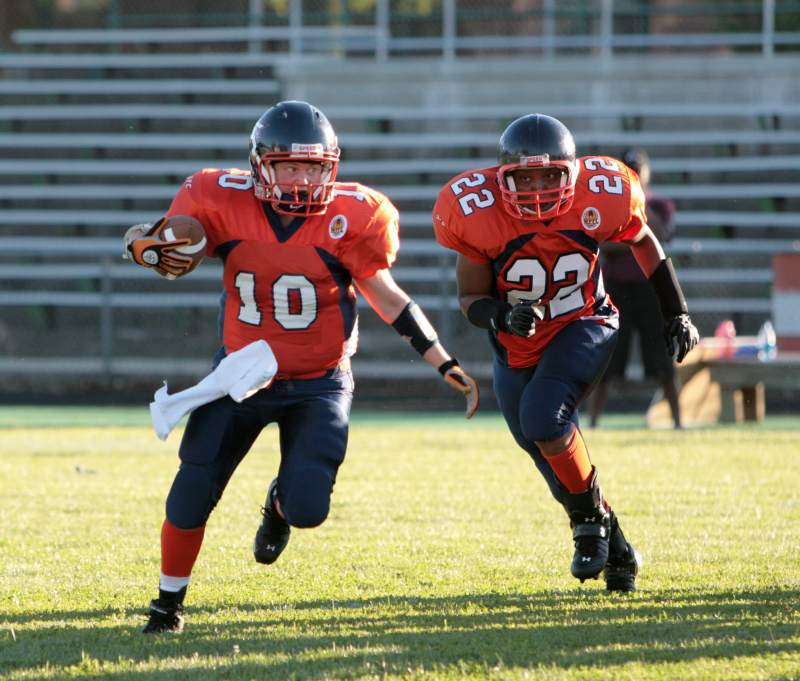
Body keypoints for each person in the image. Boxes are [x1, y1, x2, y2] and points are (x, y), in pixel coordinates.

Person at [123, 100, 479, 634]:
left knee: (308, 506)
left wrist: (440, 359)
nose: (300, 178)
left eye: (312, 167)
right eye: (288, 165)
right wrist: (142, 244)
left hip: (320, 384)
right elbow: (171, 241)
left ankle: (278, 505)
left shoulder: (355, 216)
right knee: (192, 490)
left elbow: (384, 296)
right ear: (260, 165)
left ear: (330, 167)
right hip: (241, 377)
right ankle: (167, 604)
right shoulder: (217, 197)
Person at [432, 113, 699, 591]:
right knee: (550, 457)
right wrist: (499, 314)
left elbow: (643, 241)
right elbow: (470, 297)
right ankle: (616, 547)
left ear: (571, 174)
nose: (537, 187)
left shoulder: (602, 195)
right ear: (501, 179)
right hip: (516, 348)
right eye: (525, 176)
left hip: (584, 323)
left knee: (543, 420)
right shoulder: (477, 213)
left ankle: (587, 528)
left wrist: (675, 312)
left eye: (550, 175)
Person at [589, 148, 683, 429]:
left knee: (662, 359)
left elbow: (660, 237)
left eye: (637, 169)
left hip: (649, 287)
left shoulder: (659, 206)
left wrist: (637, 206)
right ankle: (593, 422)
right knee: (607, 358)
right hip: (616, 288)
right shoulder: (608, 207)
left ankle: (679, 422)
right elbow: (602, 244)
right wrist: (634, 239)